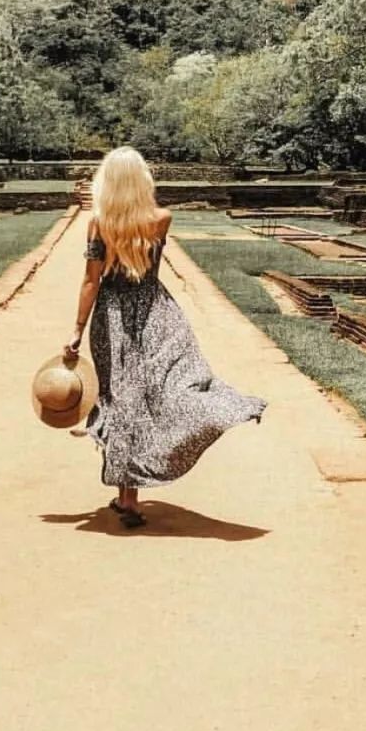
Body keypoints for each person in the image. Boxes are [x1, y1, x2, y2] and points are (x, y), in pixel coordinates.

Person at [63, 146, 267, 529]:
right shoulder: (161, 218)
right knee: (169, 387)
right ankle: (132, 494)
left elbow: (92, 280)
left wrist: (76, 329)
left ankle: (128, 496)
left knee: (120, 398)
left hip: (113, 315)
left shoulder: (99, 223)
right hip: (156, 310)